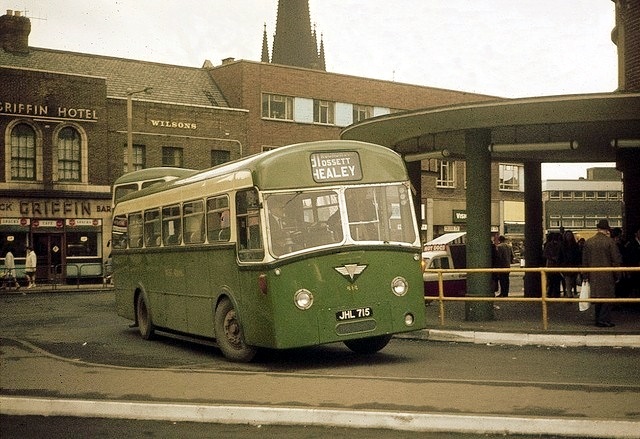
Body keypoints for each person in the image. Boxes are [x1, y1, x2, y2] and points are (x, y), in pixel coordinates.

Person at [582, 219, 622, 327]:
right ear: (607, 230)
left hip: (593, 275)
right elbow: (616, 259)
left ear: (598, 228)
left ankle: (598, 319)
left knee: (597, 298)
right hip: (607, 275)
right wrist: (618, 275)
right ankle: (604, 320)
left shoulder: (589, 242)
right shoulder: (610, 242)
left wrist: (585, 275)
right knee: (607, 298)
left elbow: (584, 260)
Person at [560, 230, 581, 297]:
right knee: (568, 280)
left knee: (572, 281)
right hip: (566, 266)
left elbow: (578, 255)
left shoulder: (575, 246)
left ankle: (569, 293)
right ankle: (569, 294)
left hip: (573, 265)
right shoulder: (563, 246)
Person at [543, 232, 563, 298]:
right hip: (552, 264)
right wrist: (553, 258)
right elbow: (545, 254)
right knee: (552, 280)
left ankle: (553, 293)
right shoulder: (551, 245)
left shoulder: (552, 245)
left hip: (553, 264)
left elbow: (545, 254)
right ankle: (552, 293)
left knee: (554, 280)